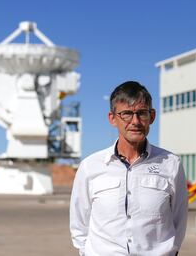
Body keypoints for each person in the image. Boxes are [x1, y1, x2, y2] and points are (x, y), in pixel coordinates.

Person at [70, 81, 188, 256]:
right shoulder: (90, 166)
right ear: (112, 118)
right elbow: (79, 224)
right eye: (126, 114)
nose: (135, 121)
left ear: (152, 116)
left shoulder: (171, 164)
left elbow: (179, 220)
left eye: (142, 113)